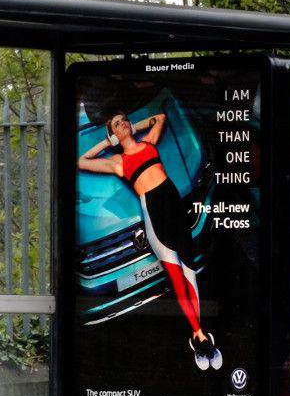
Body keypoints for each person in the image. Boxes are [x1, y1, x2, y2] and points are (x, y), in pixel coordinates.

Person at [80, 109, 220, 370]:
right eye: (117, 125)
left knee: (190, 271)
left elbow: (161, 117)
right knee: (176, 274)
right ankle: (200, 335)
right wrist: (108, 141)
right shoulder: (117, 162)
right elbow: (82, 161)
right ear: (113, 135)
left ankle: (197, 336)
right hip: (154, 212)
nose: (122, 125)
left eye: (124, 121)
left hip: (173, 204)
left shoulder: (149, 143)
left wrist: (135, 126)